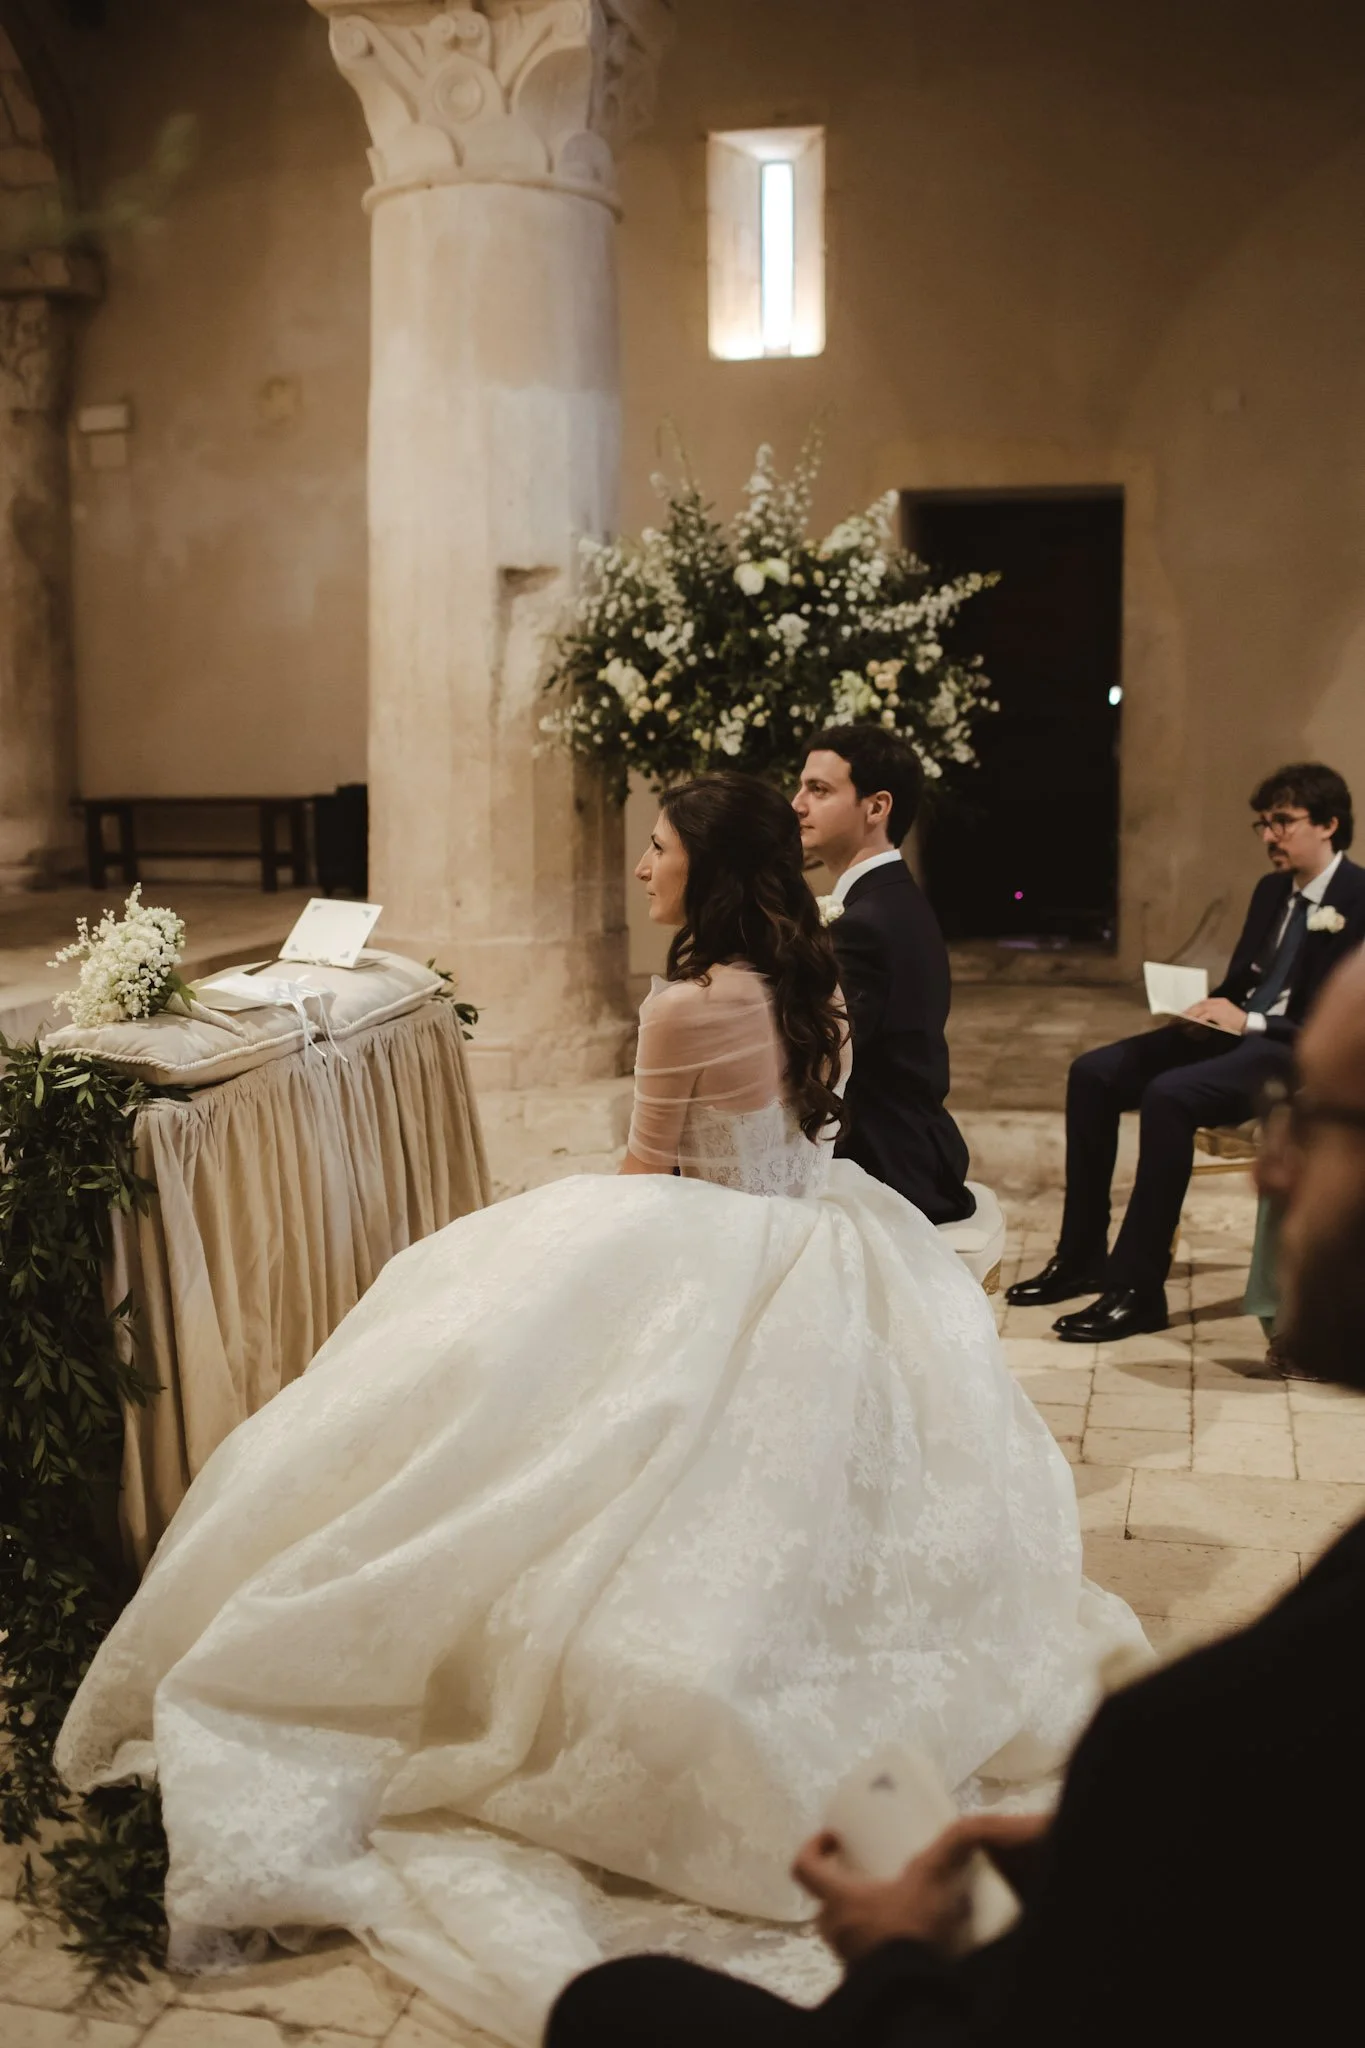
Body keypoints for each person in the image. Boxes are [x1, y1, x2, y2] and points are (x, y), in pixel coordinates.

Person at [57, 775, 1143, 2046]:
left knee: (492, 1368)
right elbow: (789, 1141)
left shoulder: (684, 1000)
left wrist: (556, 1251)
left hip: (707, 1239)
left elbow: (646, 1172)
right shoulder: (811, 981)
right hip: (824, 1239)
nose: (639, 864)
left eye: (658, 845)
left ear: (704, 868)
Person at [546, 940, 1365, 2048]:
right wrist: (1108, 1855)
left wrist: (894, 1953)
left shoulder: (1215, 1732)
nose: (1269, 1168)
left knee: (611, 2005)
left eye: (1315, 1117)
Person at [1009, 761, 1365, 1341]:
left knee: (1170, 1095)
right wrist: (1201, 1006)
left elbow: (1335, 1029)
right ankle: (1080, 1258)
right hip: (1236, 1030)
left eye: (1283, 821)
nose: (1270, 835)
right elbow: (1245, 982)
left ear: (1328, 824)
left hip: (1290, 1053)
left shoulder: (1360, 896)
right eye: (1263, 824)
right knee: (1092, 1073)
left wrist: (1248, 1020)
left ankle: (1137, 1289)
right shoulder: (1271, 890)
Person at [793, 725, 974, 1224]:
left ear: (876, 808)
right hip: (913, 1146)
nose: (797, 804)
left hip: (886, 1164)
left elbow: (824, 1058)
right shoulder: (887, 899)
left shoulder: (868, 922)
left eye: (819, 790)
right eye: (802, 787)